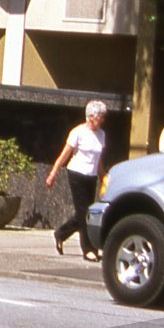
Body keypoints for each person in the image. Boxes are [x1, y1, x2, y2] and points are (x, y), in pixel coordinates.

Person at [48, 99, 108, 260]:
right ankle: (88, 250)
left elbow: (99, 160)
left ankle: (61, 233)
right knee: (83, 214)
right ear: (91, 116)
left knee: (86, 212)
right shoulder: (78, 132)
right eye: (100, 116)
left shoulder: (101, 135)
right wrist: (53, 173)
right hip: (76, 173)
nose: (102, 120)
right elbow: (64, 155)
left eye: (104, 116)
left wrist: (104, 177)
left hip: (91, 175)